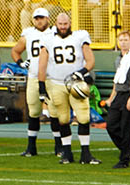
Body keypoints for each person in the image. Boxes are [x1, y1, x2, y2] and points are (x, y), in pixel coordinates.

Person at [37, 11, 98, 165]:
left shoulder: (80, 36)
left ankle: (86, 153)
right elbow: (42, 64)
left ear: (70, 23)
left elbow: (90, 60)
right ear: (55, 24)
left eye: (65, 24)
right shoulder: (48, 39)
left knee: (83, 117)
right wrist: (41, 86)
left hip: (76, 83)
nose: (63, 27)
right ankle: (67, 153)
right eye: (60, 24)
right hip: (56, 83)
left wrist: (81, 72)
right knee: (62, 119)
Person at [12, 9, 52, 157]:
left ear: (47, 18)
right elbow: (15, 51)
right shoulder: (28, 33)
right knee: (33, 112)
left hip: (51, 77)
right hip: (34, 76)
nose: (39, 21)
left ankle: (60, 146)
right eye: (36, 18)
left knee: (55, 113)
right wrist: (21, 63)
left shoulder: (54, 32)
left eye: (41, 18)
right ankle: (31, 146)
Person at [105, 32, 130, 169]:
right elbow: (116, 80)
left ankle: (124, 159)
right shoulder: (119, 59)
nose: (123, 42)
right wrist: (111, 98)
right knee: (111, 125)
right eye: (121, 40)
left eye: (126, 40)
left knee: (126, 127)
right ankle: (129, 151)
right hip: (119, 95)